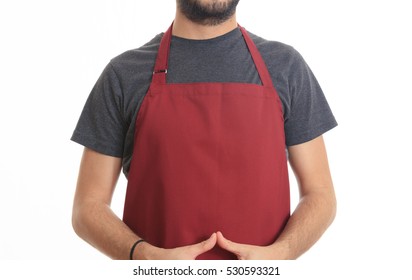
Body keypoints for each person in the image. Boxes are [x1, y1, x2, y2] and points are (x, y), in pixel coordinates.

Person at [71, 0, 337, 260]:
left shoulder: (287, 67)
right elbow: (87, 207)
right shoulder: (123, 75)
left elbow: (320, 194)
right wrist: (145, 256)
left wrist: (282, 253)